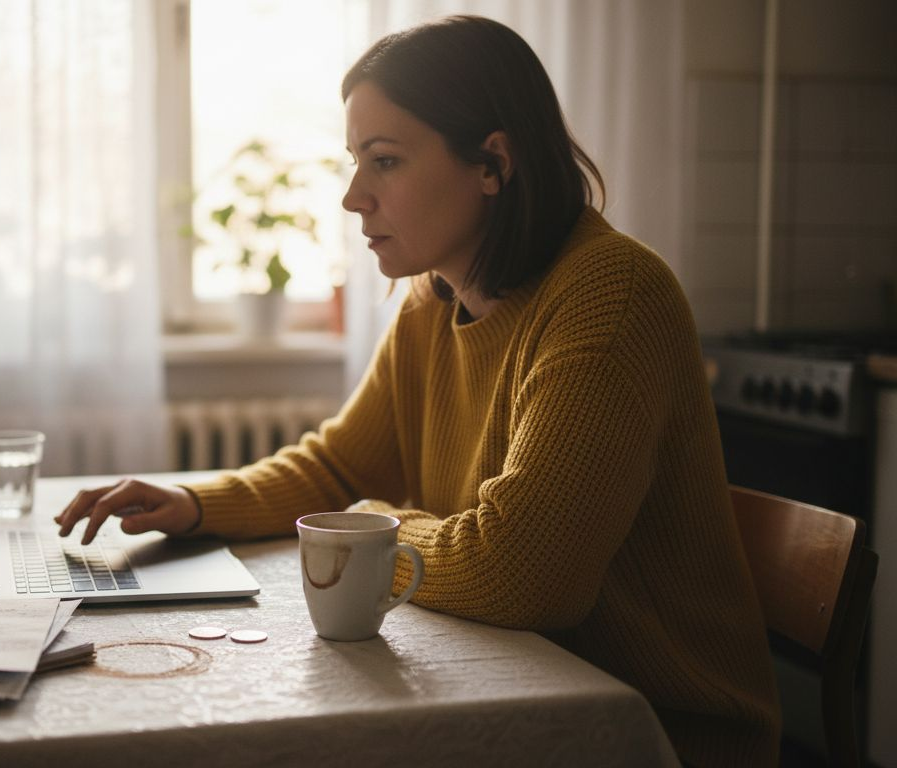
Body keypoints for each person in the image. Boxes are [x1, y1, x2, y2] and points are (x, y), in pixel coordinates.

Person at [57, 15, 779, 767]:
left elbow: (522, 576)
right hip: (526, 690)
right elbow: (338, 467)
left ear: (493, 164)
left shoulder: (611, 296)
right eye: (355, 162)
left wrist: (370, 527)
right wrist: (199, 504)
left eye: (386, 162)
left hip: (656, 731)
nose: (353, 197)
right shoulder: (433, 298)